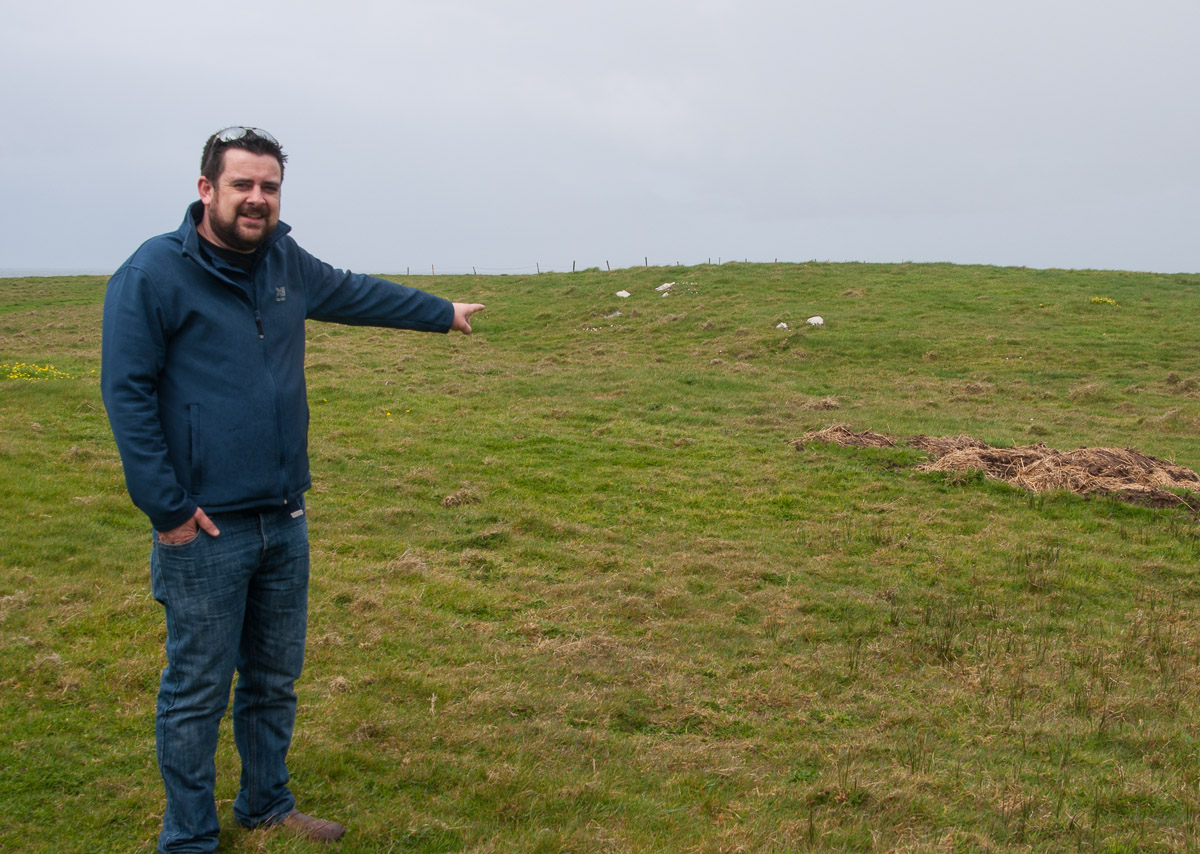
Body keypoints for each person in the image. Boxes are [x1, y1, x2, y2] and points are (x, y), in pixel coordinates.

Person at [101, 126, 484, 852]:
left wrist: (441, 312)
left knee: (274, 680)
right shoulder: (152, 273)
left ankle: (267, 804)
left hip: (284, 513)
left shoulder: (283, 260)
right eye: (242, 184)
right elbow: (127, 395)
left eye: (269, 187)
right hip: (205, 526)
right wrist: (170, 511)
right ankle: (188, 836)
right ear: (206, 188)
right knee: (196, 692)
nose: (257, 199)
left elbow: (354, 293)